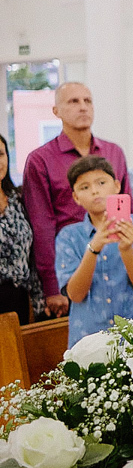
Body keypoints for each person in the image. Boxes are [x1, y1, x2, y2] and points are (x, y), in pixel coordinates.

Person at [22, 82, 131, 319]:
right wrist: (52, 285)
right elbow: (41, 225)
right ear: (56, 111)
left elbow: (127, 206)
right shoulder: (40, 159)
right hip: (68, 262)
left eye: (87, 101)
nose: (82, 107)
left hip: (117, 260)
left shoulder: (113, 152)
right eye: (73, 101)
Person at [56, 156, 133, 347]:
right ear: (75, 197)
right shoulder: (69, 236)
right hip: (88, 339)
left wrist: (126, 249)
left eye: (101, 182)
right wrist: (93, 248)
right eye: (84, 187)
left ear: (116, 186)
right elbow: (75, 295)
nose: (94, 190)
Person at [0, 134, 44, 325]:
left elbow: (32, 256)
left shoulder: (18, 199)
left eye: (0, 154)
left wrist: (39, 301)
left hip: (20, 298)